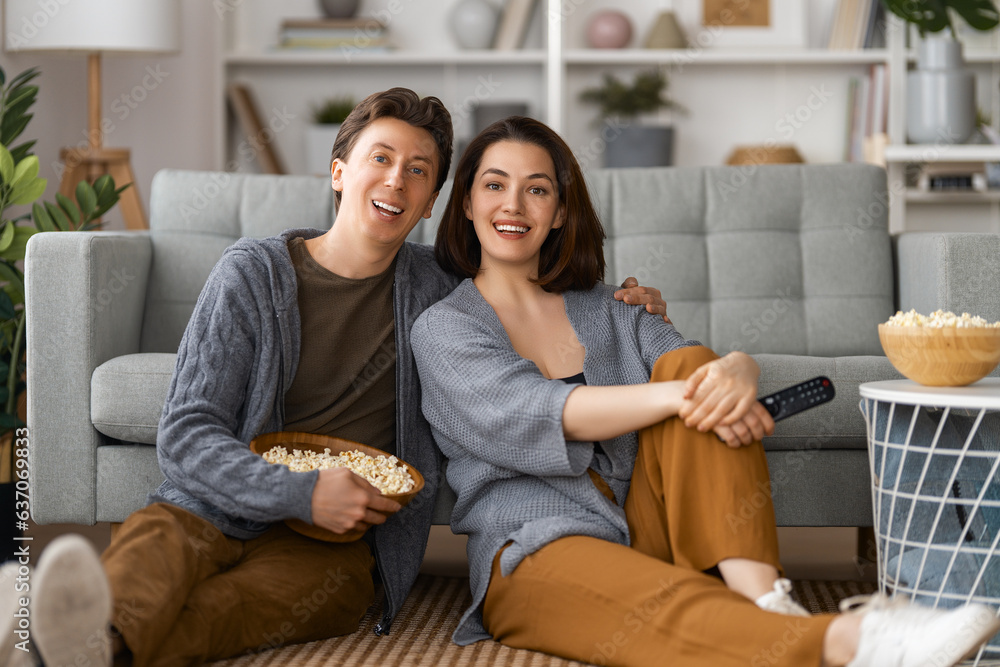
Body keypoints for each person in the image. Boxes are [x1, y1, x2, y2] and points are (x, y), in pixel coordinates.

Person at [0, 90, 667, 667]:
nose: (396, 182)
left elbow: (528, 269)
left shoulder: (444, 286)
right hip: (214, 501)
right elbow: (185, 435)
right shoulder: (253, 273)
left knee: (235, 609)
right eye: (381, 158)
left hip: (345, 542)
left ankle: (85, 647)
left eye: (418, 171)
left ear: (434, 201)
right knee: (154, 551)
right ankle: (90, 632)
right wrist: (299, 492)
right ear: (339, 170)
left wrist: (624, 301)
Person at [410, 116, 1000, 667]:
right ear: (466, 203)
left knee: (696, 366)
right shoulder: (444, 328)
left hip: (651, 525)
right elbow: (539, 412)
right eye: (494, 185)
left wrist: (739, 368)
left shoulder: (616, 307)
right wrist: (681, 396)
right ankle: (848, 640)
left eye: (537, 189)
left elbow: (692, 365)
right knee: (664, 602)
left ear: (561, 211)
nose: (513, 204)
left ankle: (767, 600)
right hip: (535, 545)